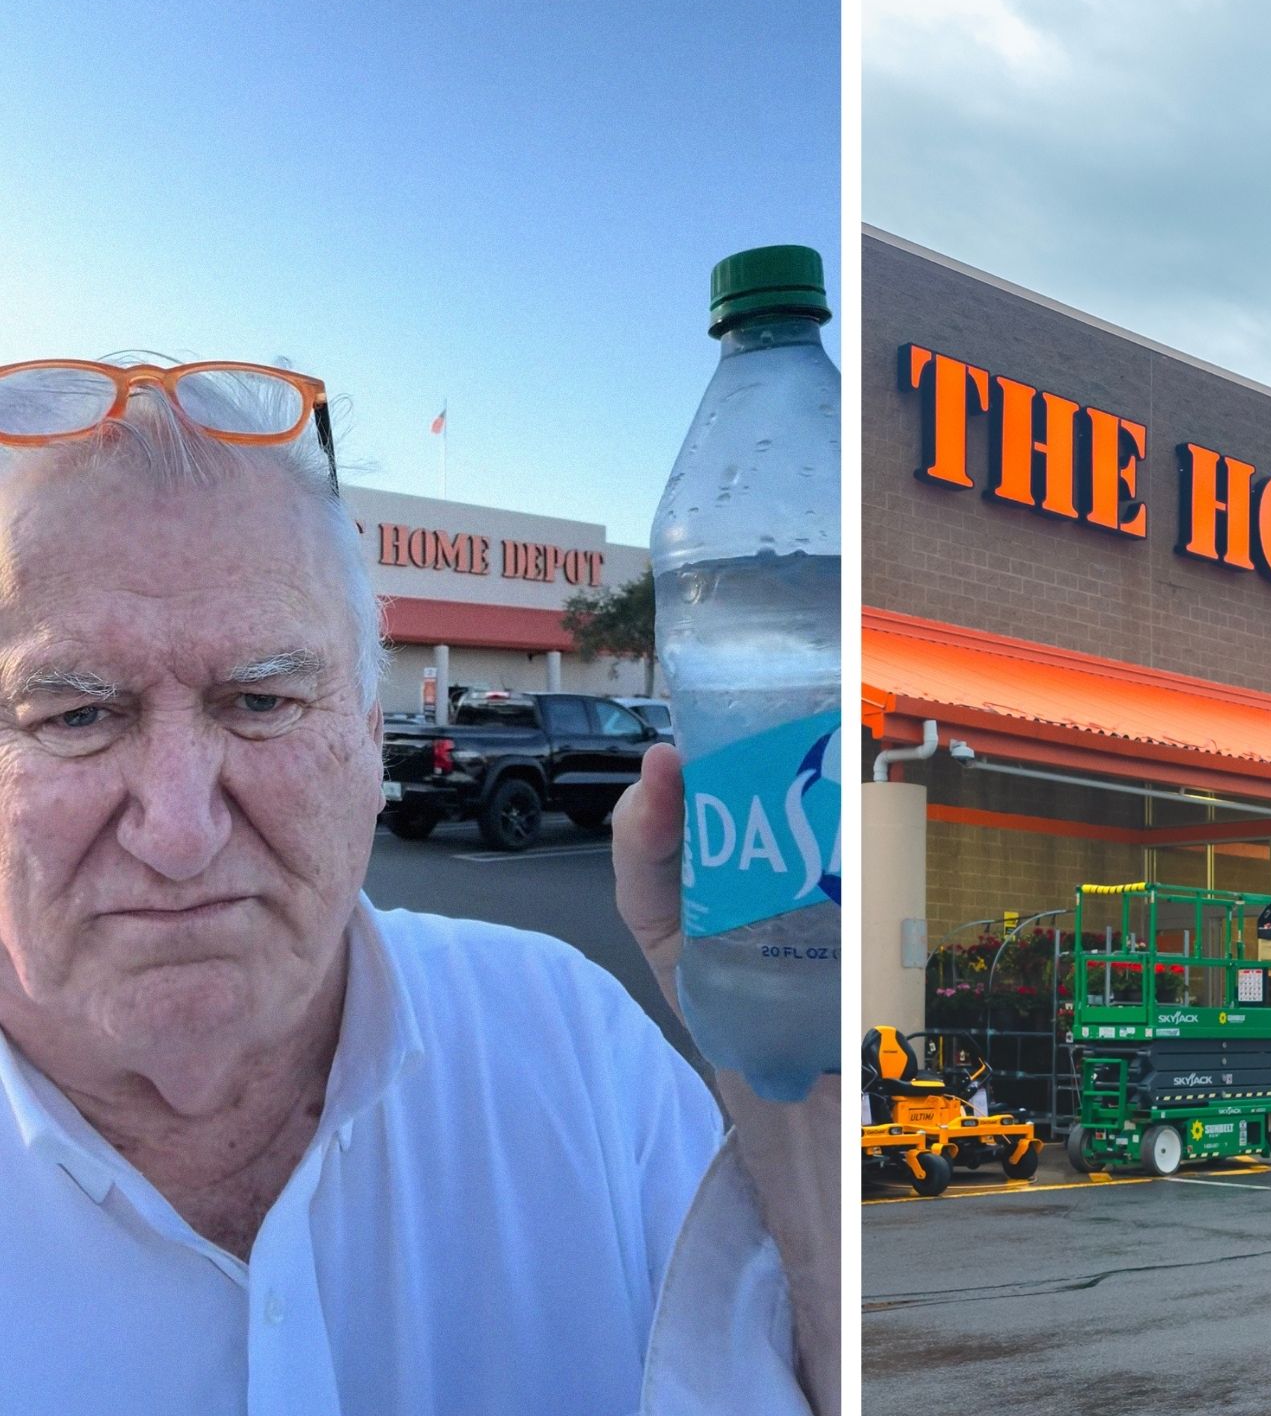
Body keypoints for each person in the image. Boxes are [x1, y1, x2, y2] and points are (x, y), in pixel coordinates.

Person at [0, 358, 836, 1414]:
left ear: (367, 739)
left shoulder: (572, 1046)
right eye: (74, 717)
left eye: (261, 702)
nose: (178, 830)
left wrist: (799, 1108)